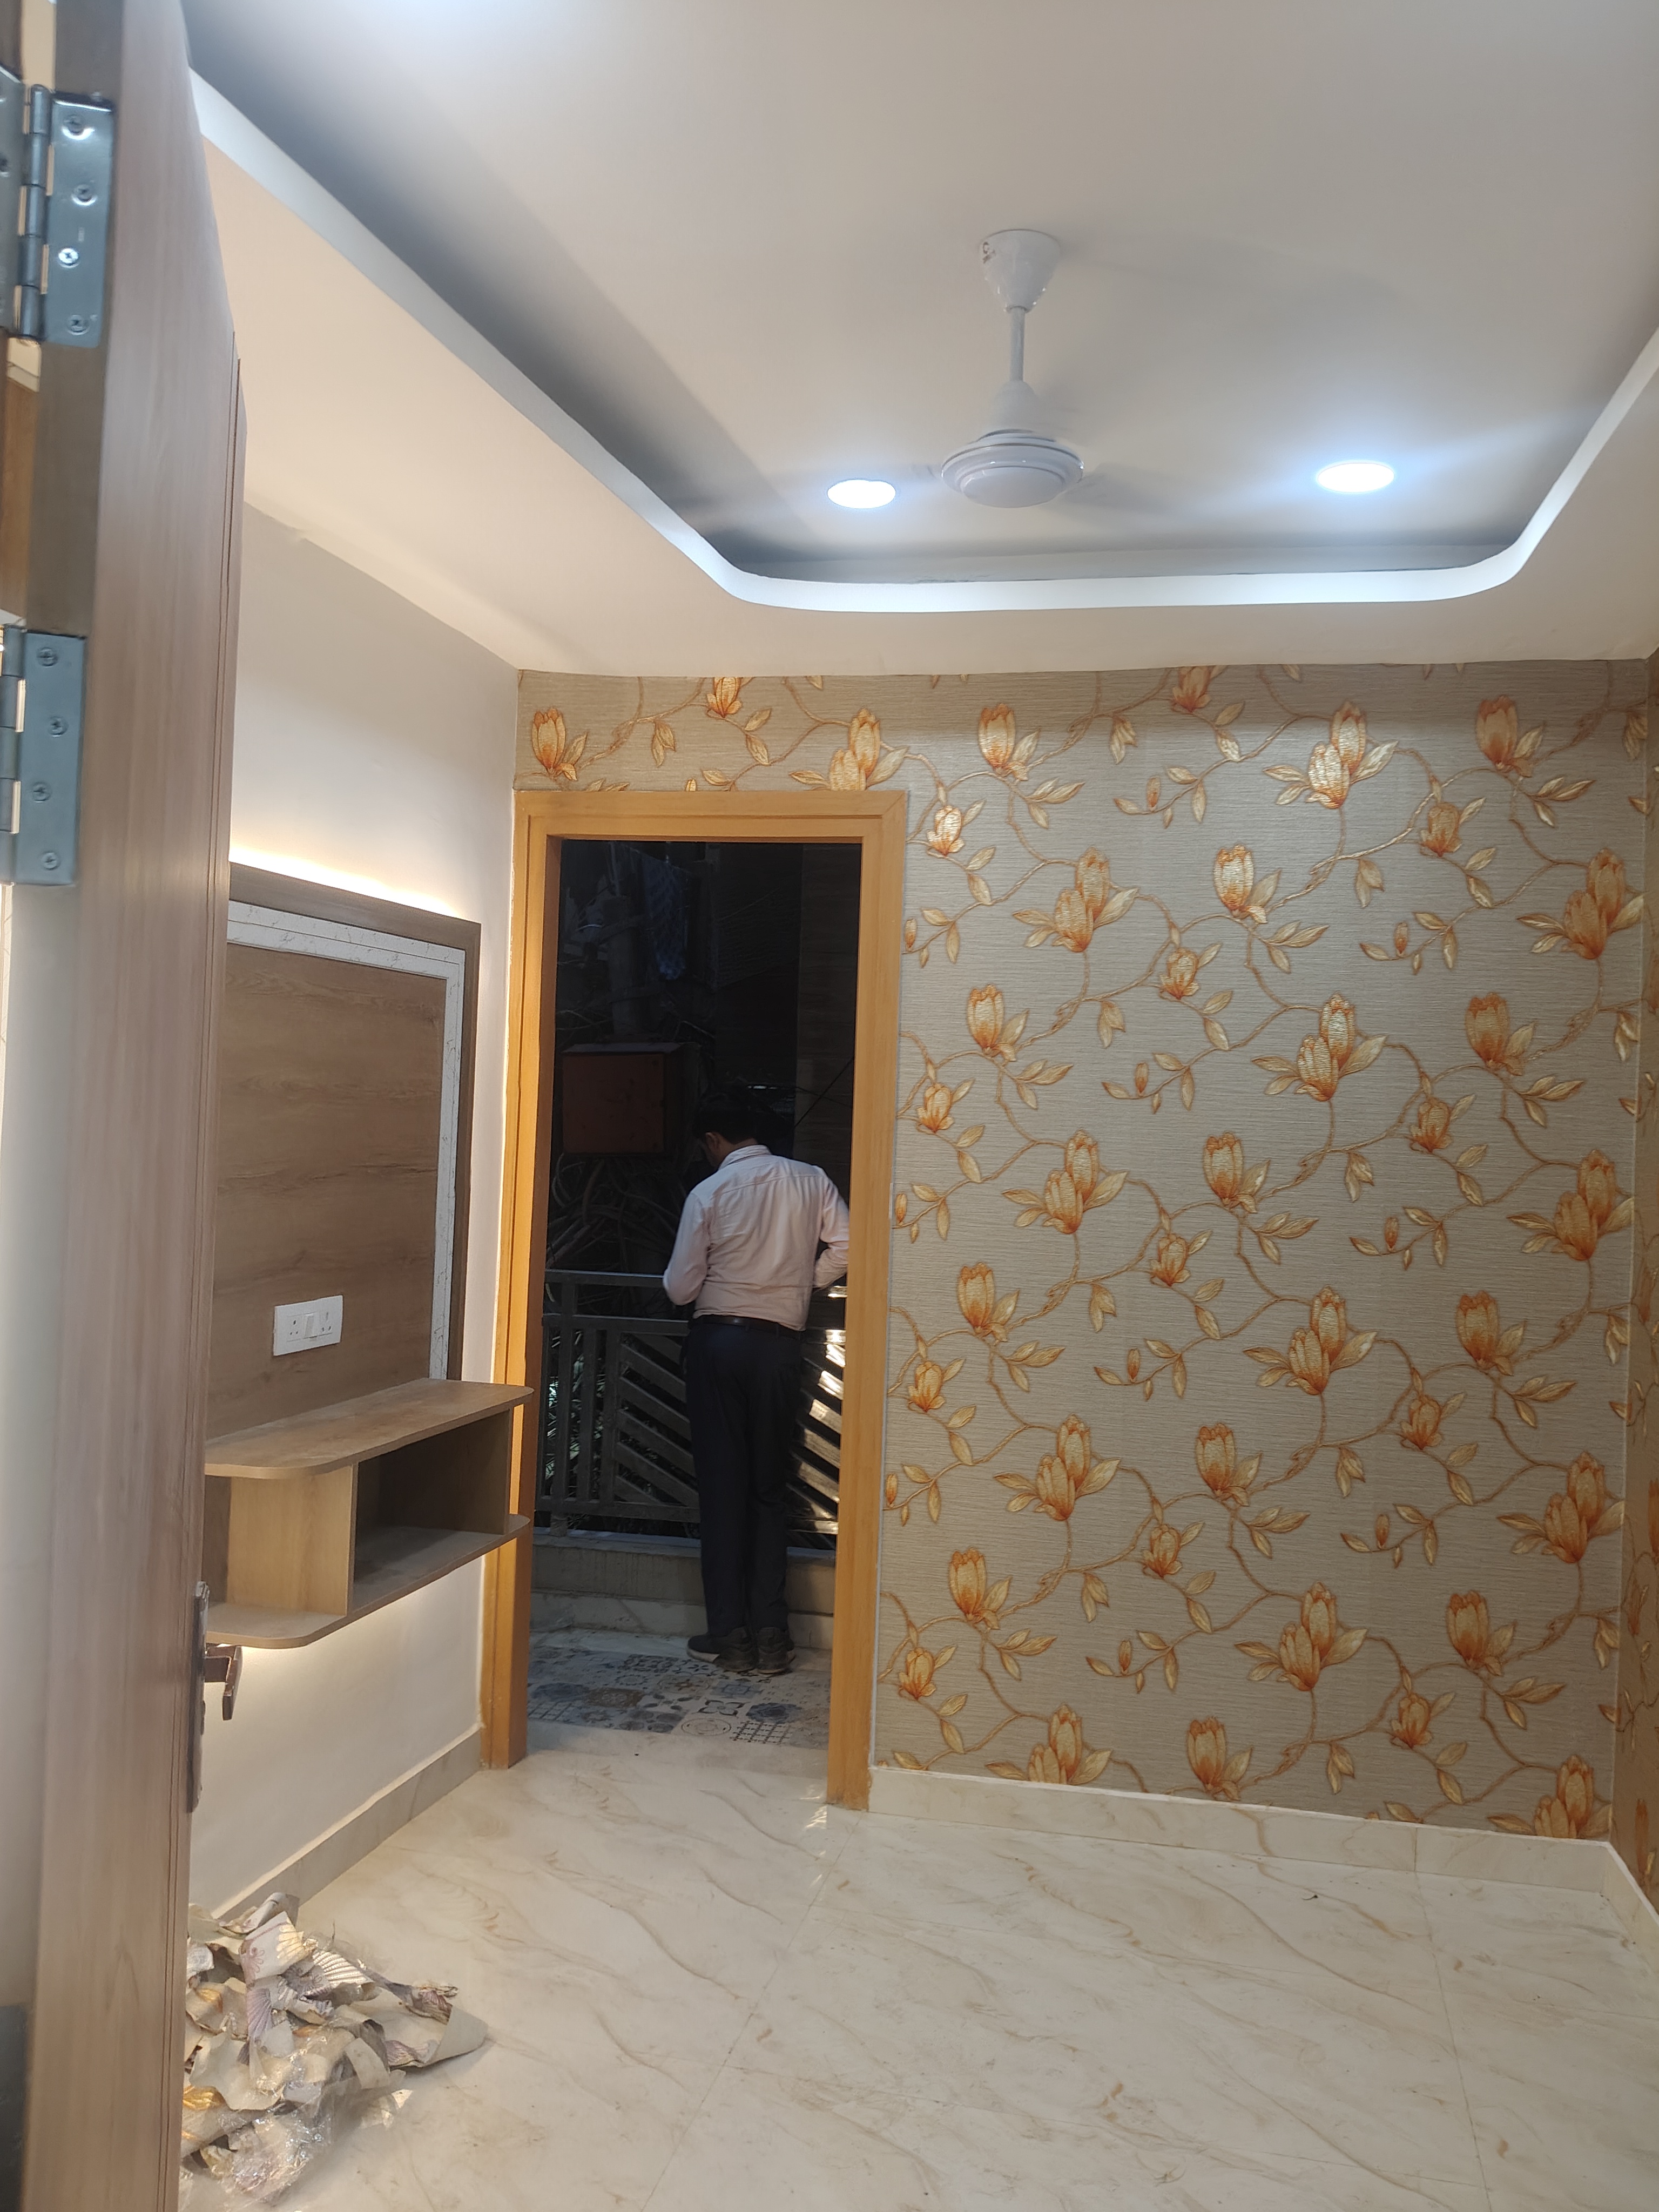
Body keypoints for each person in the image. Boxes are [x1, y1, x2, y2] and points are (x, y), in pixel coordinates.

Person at [663, 1091, 850, 1675]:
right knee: (769, 1488)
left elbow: (680, 1287)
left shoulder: (710, 1191)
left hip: (720, 1344)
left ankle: (731, 1637)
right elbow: (847, 1244)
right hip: (780, 1347)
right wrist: (803, 1282)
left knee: (724, 1490)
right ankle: (773, 1636)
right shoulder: (811, 1179)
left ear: (713, 1140)